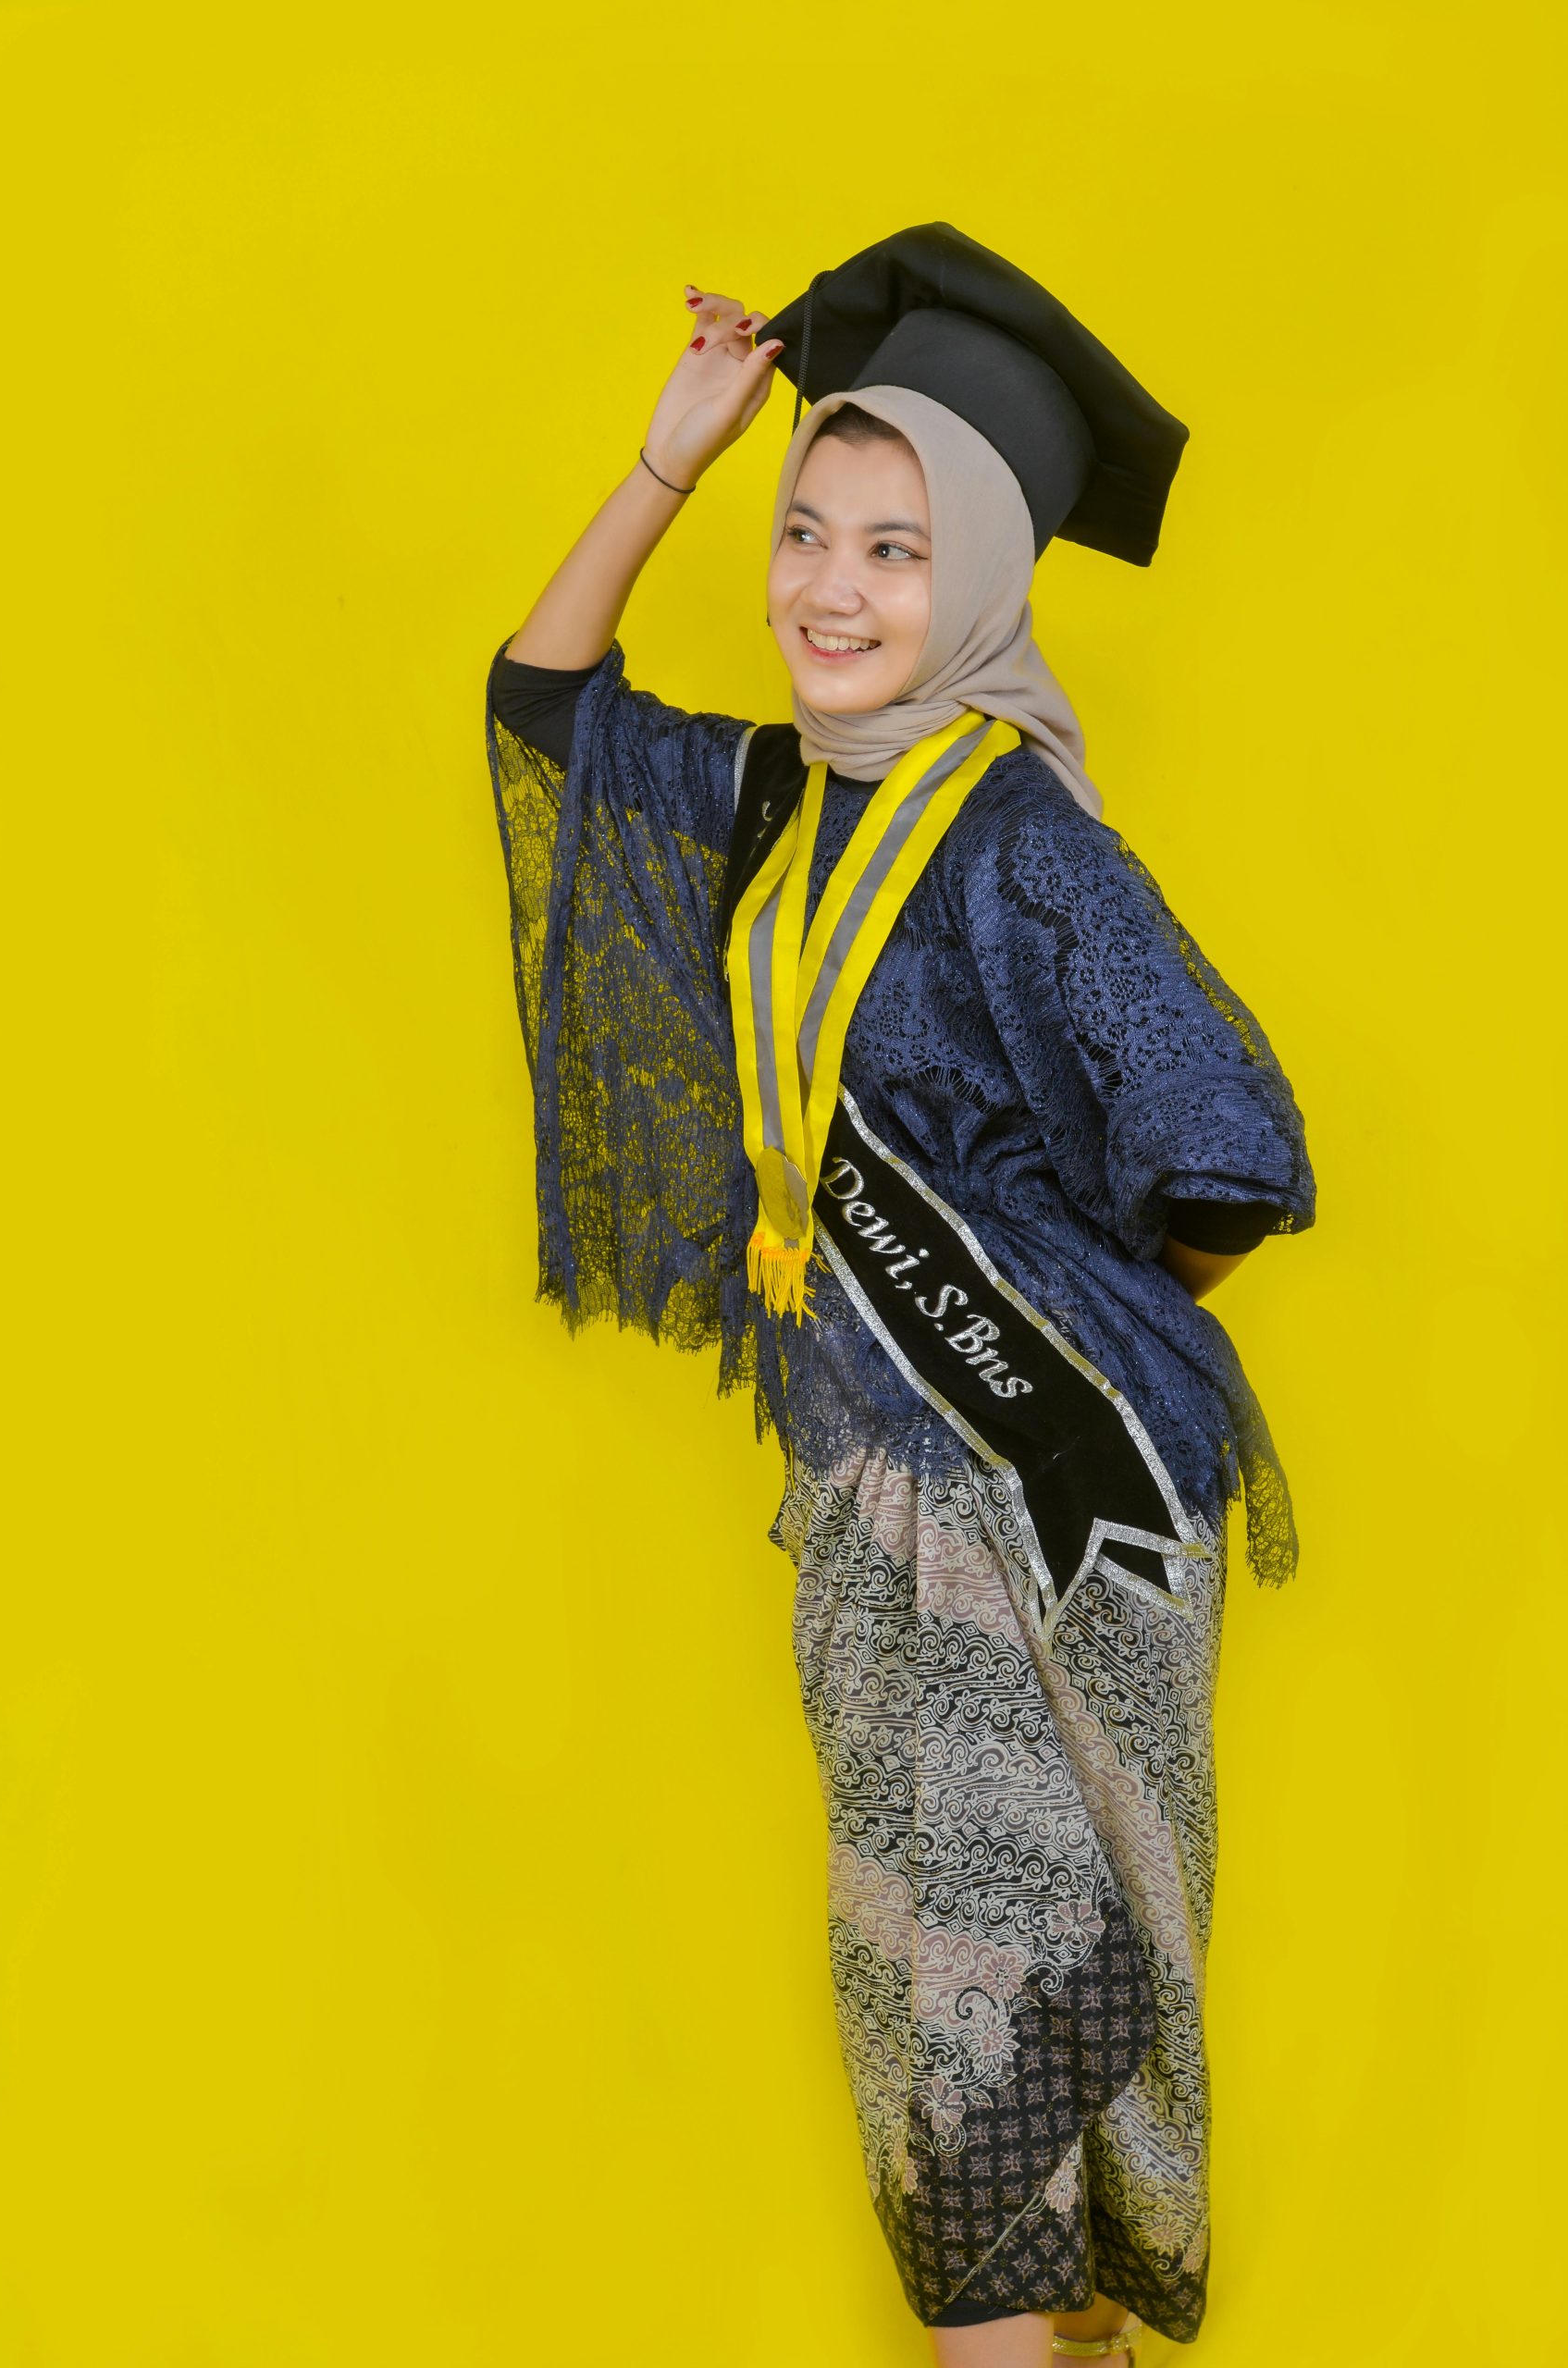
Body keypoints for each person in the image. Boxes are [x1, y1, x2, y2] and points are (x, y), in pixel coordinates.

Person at [484, 224, 1315, 2366]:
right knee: (994, 2056)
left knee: (995, 2071)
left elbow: (1234, 1148)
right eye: (805, 533)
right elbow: (548, 708)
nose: (833, 590)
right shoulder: (782, 802)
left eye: (895, 547)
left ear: (986, 588)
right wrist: (670, 461)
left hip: (1049, 1514)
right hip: (875, 1522)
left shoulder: (1023, 839)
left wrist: (1060, 1330)